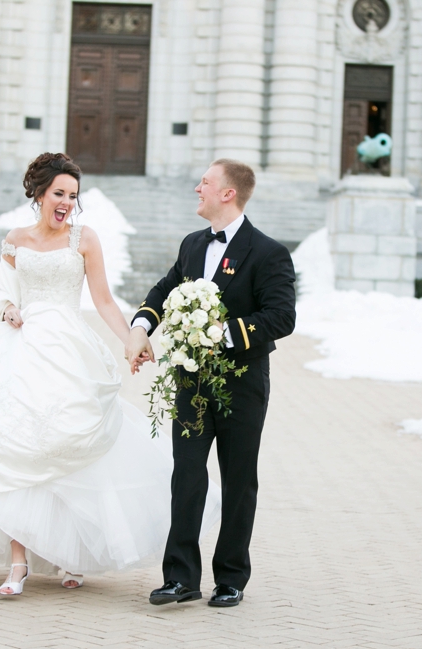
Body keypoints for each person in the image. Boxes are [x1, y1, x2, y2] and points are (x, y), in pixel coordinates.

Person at [0, 152, 218, 596]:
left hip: (69, 352)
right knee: (17, 449)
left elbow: (104, 301)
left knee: (69, 447)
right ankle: (18, 562)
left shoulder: (84, 240)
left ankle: (70, 554)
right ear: (39, 194)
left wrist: (132, 338)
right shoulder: (15, 240)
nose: (66, 202)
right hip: (21, 351)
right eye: (59, 193)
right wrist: (8, 306)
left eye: (73, 195)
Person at [127, 159, 296, 608]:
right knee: (186, 475)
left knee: (238, 480)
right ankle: (180, 577)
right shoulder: (192, 244)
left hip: (242, 383)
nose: (196, 188)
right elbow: (164, 290)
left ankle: (231, 578)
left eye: (205, 182)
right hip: (191, 381)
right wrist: (141, 327)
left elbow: (282, 317)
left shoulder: (268, 252)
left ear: (228, 194)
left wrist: (219, 332)